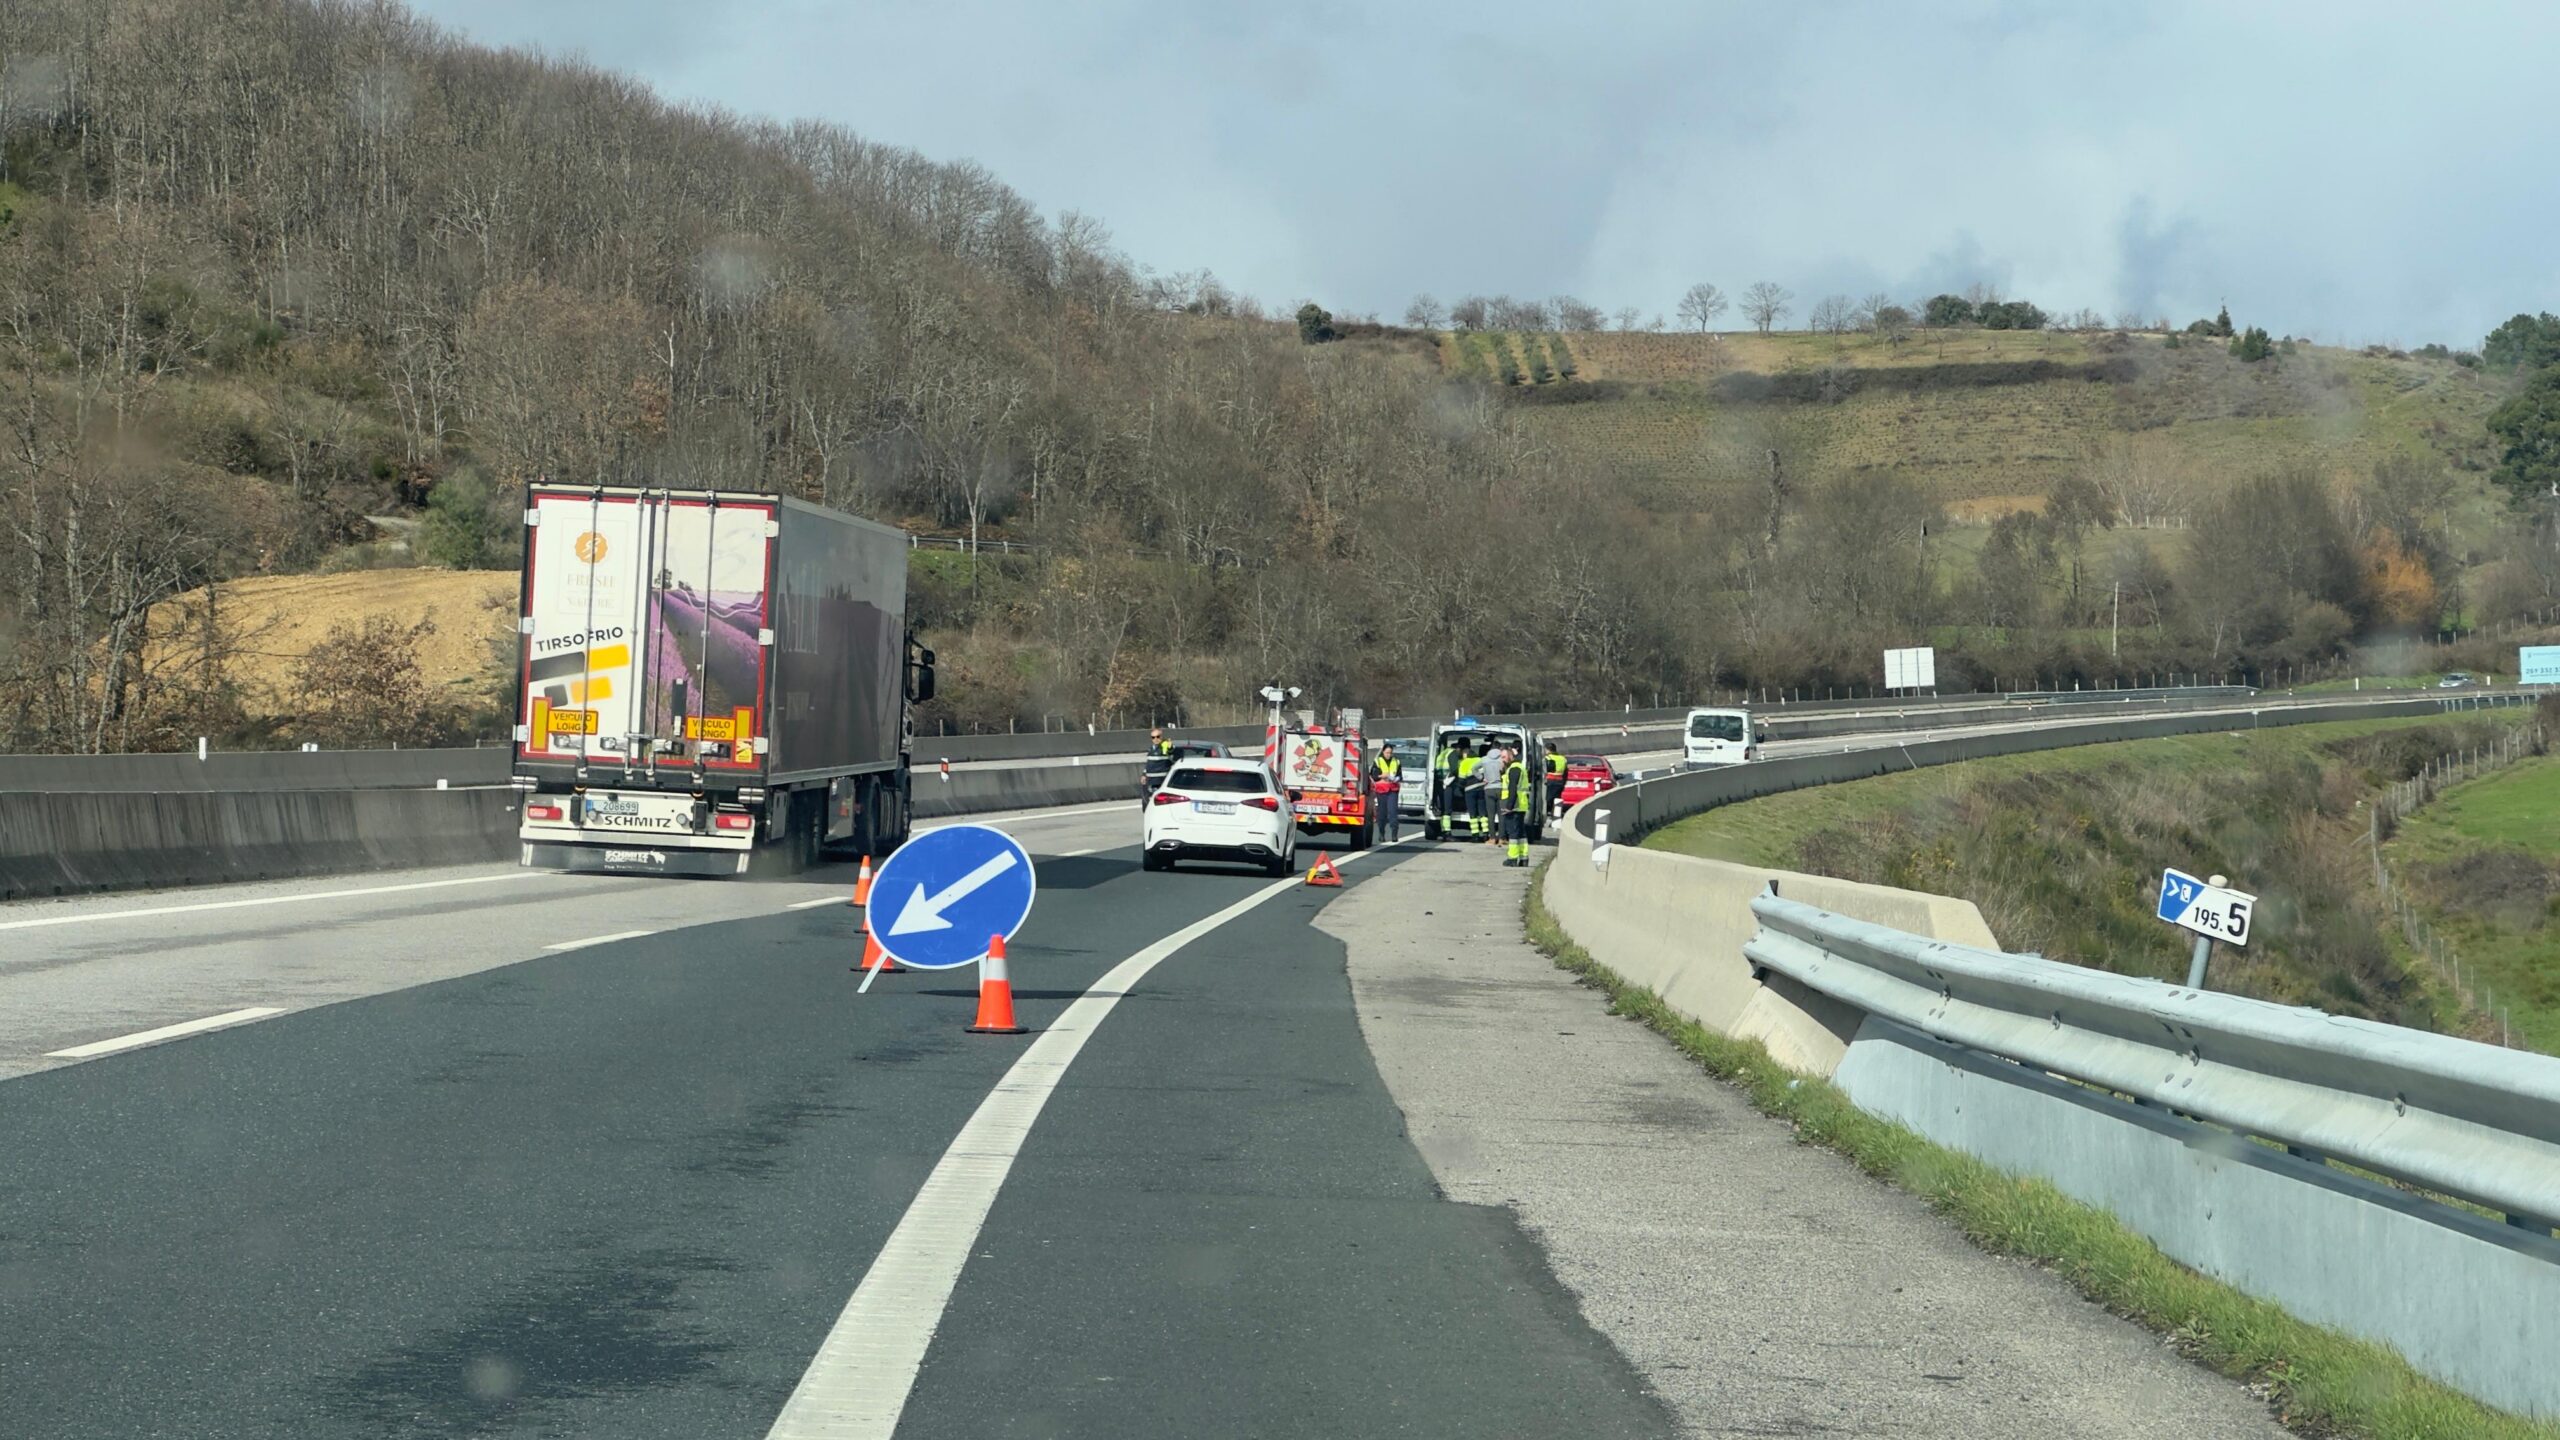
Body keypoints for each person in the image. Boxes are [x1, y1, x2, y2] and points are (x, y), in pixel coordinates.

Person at [1500, 747, 1532, 866]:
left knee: (1513, 833)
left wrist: (1509, 806)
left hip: (1514, 805)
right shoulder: (1519, 767)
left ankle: (1512, 859)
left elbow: (1512, 788)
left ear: (1510, 756)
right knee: (1521, 833)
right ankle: (1524, 858)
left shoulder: (1514, 769)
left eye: (1503, 757)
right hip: (1521, 805)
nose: (1502, 760)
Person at [1370, 745, 1402, 843]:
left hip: (1393, 790)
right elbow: (1373, 776)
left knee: (1393, 812)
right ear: (1383, 752)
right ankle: (1381, 833)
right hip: (1381, 790)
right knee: (1382, 813)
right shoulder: (1378, 761)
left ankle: (1394, 834)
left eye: (1390, 753)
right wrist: (1381, 776)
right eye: (1387, 752)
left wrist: (1396, 778)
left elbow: (1400, 776)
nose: (1388, 755)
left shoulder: (1396, 762)